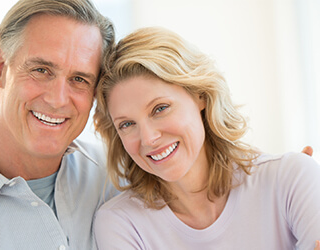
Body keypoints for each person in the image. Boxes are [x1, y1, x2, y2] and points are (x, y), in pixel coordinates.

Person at [93, 27, 320, 249]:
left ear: (200, 95)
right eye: (127, 124)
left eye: (160, 108)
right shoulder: (121, 224)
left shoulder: (291, 180)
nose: (149, 138)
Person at [0, 0, 118, 249]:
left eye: (79, 79)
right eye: (41, 70)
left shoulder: (118, 179)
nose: (57, 100)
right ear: (0, 68)